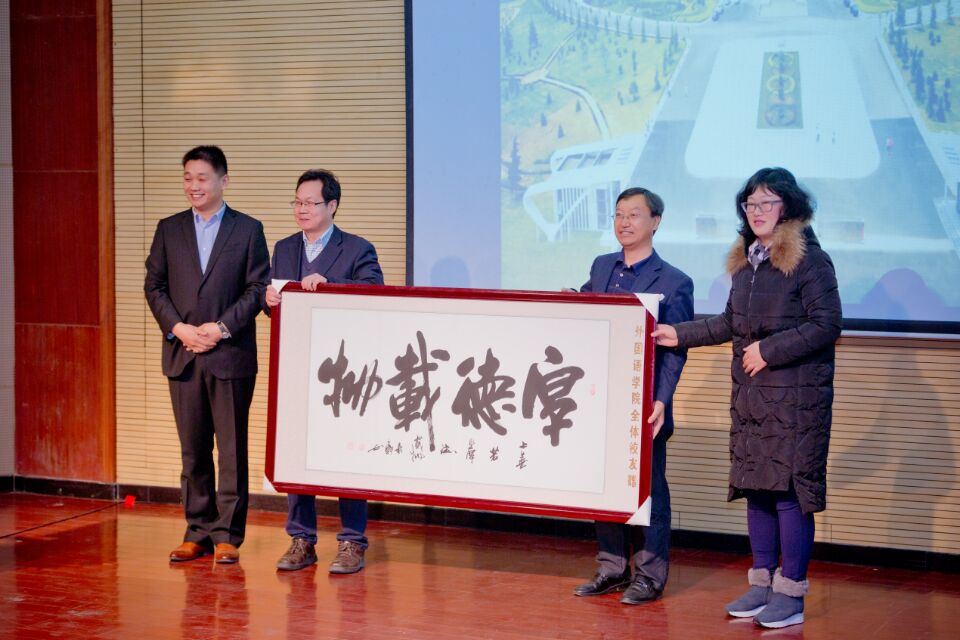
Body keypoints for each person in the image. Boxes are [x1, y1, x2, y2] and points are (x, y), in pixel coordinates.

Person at [652, 167, 841, 628]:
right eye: (750, 203)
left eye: (767, 203)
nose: (757, 211)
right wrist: (678, 334)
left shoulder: (810, 261)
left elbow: (827, 324)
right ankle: (762, 584)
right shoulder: (748, 263)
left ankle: (790, 593)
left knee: (790, 496)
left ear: (788, 207)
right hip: (753, 400)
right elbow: (728, 323)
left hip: (796, 400)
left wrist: (769, 350)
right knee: (757, 491)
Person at [145, 145, 270, 564]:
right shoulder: (169, 228)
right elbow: (154, 286)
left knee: (231, 450)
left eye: (201, 178)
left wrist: (220, 328)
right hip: (183, 354)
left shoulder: (247, 229)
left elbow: (257, 289)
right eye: (187, 177)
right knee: (193, 449)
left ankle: (228, 535)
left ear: (223, 181)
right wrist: (179, 328)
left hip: (229, 354)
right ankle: (197, 530)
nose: (193, 185)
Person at [573, 187, 693, 605]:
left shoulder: (675, 281)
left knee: (649, 490)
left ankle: (649, 576)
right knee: (605, 485)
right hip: (600, 399)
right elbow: (590, 310)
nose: (624, 222)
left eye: (634, 215)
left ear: (655, 221)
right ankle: (611, 568)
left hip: (645, 405)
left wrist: (662, 400)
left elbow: (675, 350)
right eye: (618, 214)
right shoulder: (602, 265)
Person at [265, 169, 384, 574]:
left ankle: (352, 542)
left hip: (345, 373)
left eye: (311, 203)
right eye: (297, 202)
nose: (302, 209)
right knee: (297, 452)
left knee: (347, 452)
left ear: (332, 205)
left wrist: (329, 282)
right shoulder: (283, 248)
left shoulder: (357, 248)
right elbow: (275, 301)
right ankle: (302, 539)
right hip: (298, 365)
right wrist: (268, 299)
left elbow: (374, 293)